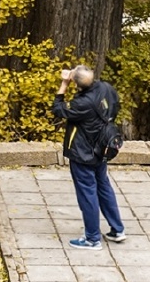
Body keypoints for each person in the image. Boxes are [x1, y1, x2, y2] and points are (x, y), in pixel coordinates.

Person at [52, 64, 125, 250]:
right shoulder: (106, 88)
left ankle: (92, 238)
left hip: (84, 153)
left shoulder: (82, 103)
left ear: (76, 83)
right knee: (103, 187)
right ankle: (117, 229)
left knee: (87, 193)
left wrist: (63, 84)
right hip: (101, 147)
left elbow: (58, 109)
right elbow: (115, 106)